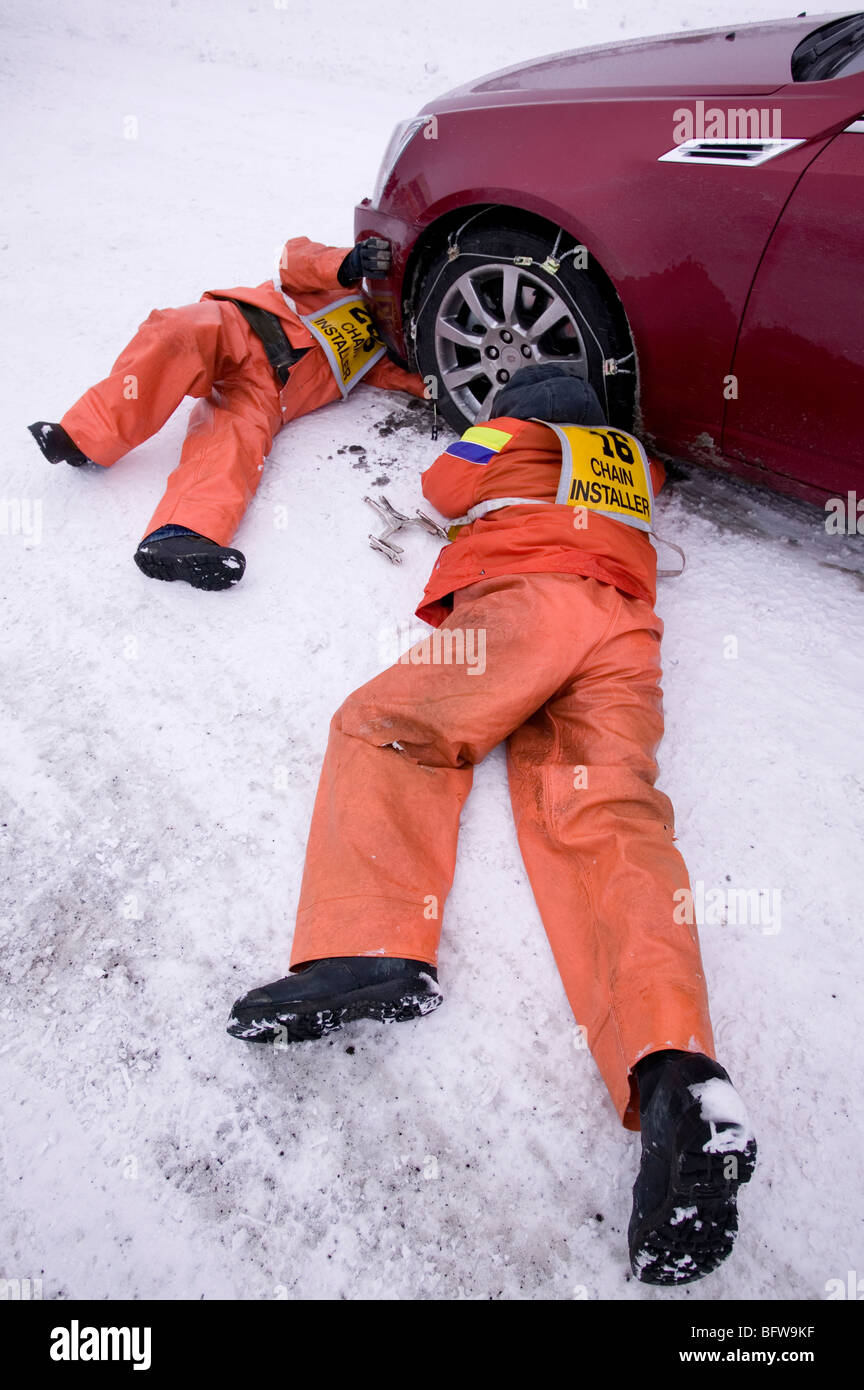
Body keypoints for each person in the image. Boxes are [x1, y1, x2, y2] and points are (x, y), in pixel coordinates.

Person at [226, 363, 757, 1285]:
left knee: (391, 728)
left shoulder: (504, 439)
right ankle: (675, 1071)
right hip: (624, 637)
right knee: (609, 818)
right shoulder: (635, 467)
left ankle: (371, 946)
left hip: (526, 606)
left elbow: (440, 486)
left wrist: (489, 438)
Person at [28, 236, 425, 589]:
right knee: (176, 334)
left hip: (269, 391)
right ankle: (82, 436)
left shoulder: (384, 353)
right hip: (239, 326)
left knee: (233, 443)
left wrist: (450, 385)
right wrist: (348, 262)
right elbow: (294, 257)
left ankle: (178, 536)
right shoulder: (349, 282)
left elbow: (417, 379)